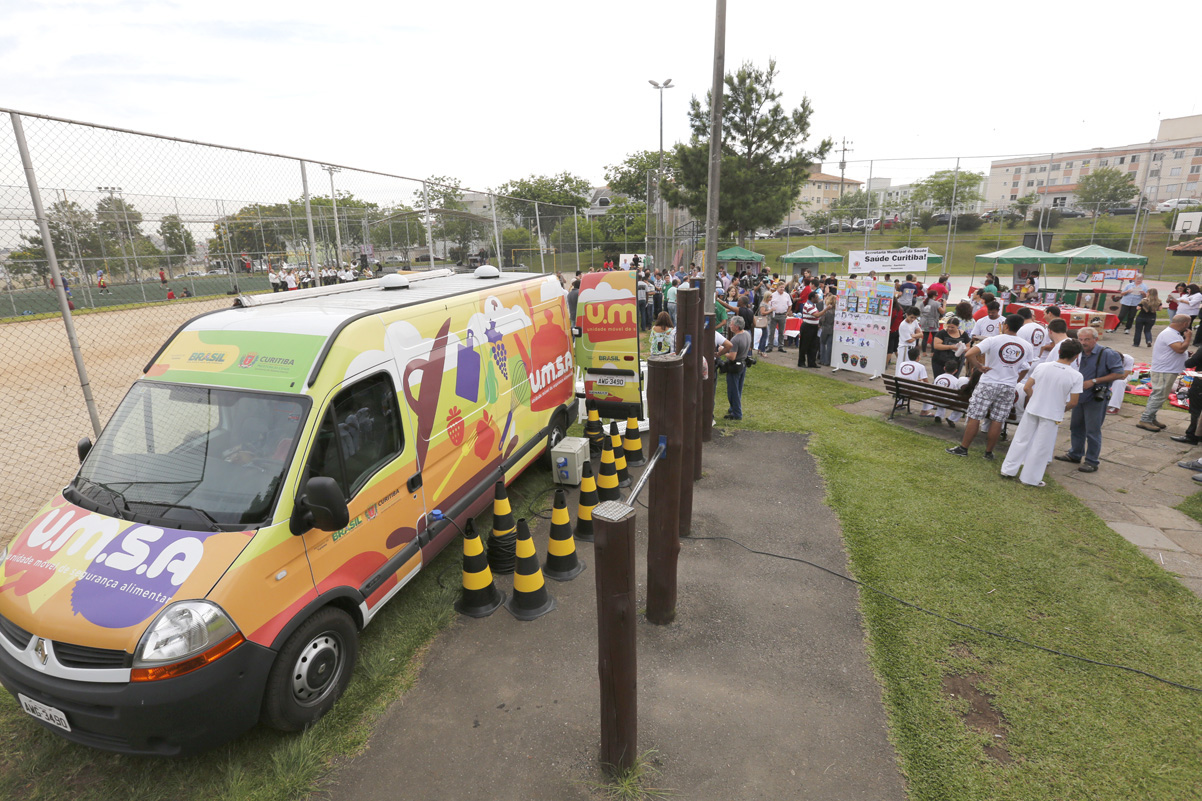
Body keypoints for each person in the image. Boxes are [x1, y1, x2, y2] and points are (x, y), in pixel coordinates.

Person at [999, 339, 1084, 487]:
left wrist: (1034, 398)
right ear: (1076, 356)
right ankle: (1030, 478)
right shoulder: (1076, 376)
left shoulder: (1042, 366)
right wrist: (1060, 408)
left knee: (1020, 439)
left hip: (1033, 408)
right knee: (1041, 446)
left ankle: (1008, 470)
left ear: (1059, 351)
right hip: (1052, 414)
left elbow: (1027, 387)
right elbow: (1073, 402)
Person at [946, 314, 1031, 460]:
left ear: (1005, 325)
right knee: (998, 419)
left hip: (989, 382)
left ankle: (964, 448)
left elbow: (970, 354)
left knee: (975, 416)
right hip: (1008, 386)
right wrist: (1015, 379)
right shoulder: (1026, 345)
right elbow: (1026, 367)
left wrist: (979, 366)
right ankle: (988, 452)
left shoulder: (993, 340)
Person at [1054, 327, 1126, 473]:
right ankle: (1075, 454)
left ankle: (1092, 461)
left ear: (1096, 339)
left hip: (1096, 397)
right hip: (1079, 396)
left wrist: (1094, 381)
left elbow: (1119, 374)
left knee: (1092, 431)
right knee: (1076, 426)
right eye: (1080, 339)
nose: (1083, 343)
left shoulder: (1107, 353)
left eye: (1087, 339)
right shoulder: (1077, 353)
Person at [1136, 314, 1192, 432]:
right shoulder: (1169, 333)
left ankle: (1151, 418)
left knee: (1159, 394)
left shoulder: (1173, 333)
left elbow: (1177, 350)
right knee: (1159, 395)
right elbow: (1179, 349)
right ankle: (1145, 419)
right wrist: (1188, 338)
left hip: (1167, 369)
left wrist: (1186, 353)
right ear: (1185, 323)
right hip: (1164, 370)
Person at [723, 316, 752, 421]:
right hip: (743, 364)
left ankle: (737, 413)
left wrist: (723, 351)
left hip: (735, 366)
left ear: (737, 327)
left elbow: (732, 357)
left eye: (731, 324)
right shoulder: (747, 334)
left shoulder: (735, 339)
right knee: (738, 388)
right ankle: (733, 408)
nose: (730, 326)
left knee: (733, 391)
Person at [930, 359, 968, 428]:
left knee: (941, 396)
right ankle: (952, 418)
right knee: (961, 404)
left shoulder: (938, 377)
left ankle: (938, 415)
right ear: (956, 371)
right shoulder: (956, 380)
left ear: (944, 368)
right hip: (947, 402)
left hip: (935, 399)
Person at [796, 294, 821, 368]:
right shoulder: (808, 306)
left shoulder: (813, 305)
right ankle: (801, 362)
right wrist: (826, 309)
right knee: (804, 345)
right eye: (817, 297)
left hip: (813, 326)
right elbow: (817, 315)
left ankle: (812, 362)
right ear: (812, 298)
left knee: (813, 345)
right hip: (807, 327)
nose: (818, 298)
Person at [768, 282, 791, 353]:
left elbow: (790, 305)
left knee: (781, 332)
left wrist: (787, 313)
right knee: (771, 332)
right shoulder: (773, 295)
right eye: (781, 287)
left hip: (783, 315)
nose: (782, 289)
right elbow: (769, 304)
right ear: (777, 288)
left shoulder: (787, 295)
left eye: (783, 287)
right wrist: (770, 311)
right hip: (774, 315)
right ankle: (770, 346)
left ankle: (781, 346)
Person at [818, 294, 837, 366]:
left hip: (825, 328)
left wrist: (820, 324)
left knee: (822, 344)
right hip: (832, 329)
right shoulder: (837, 312)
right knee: (829, 345)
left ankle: (822, 360)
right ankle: (827, 361)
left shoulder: (826, 311)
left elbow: (822, 320)